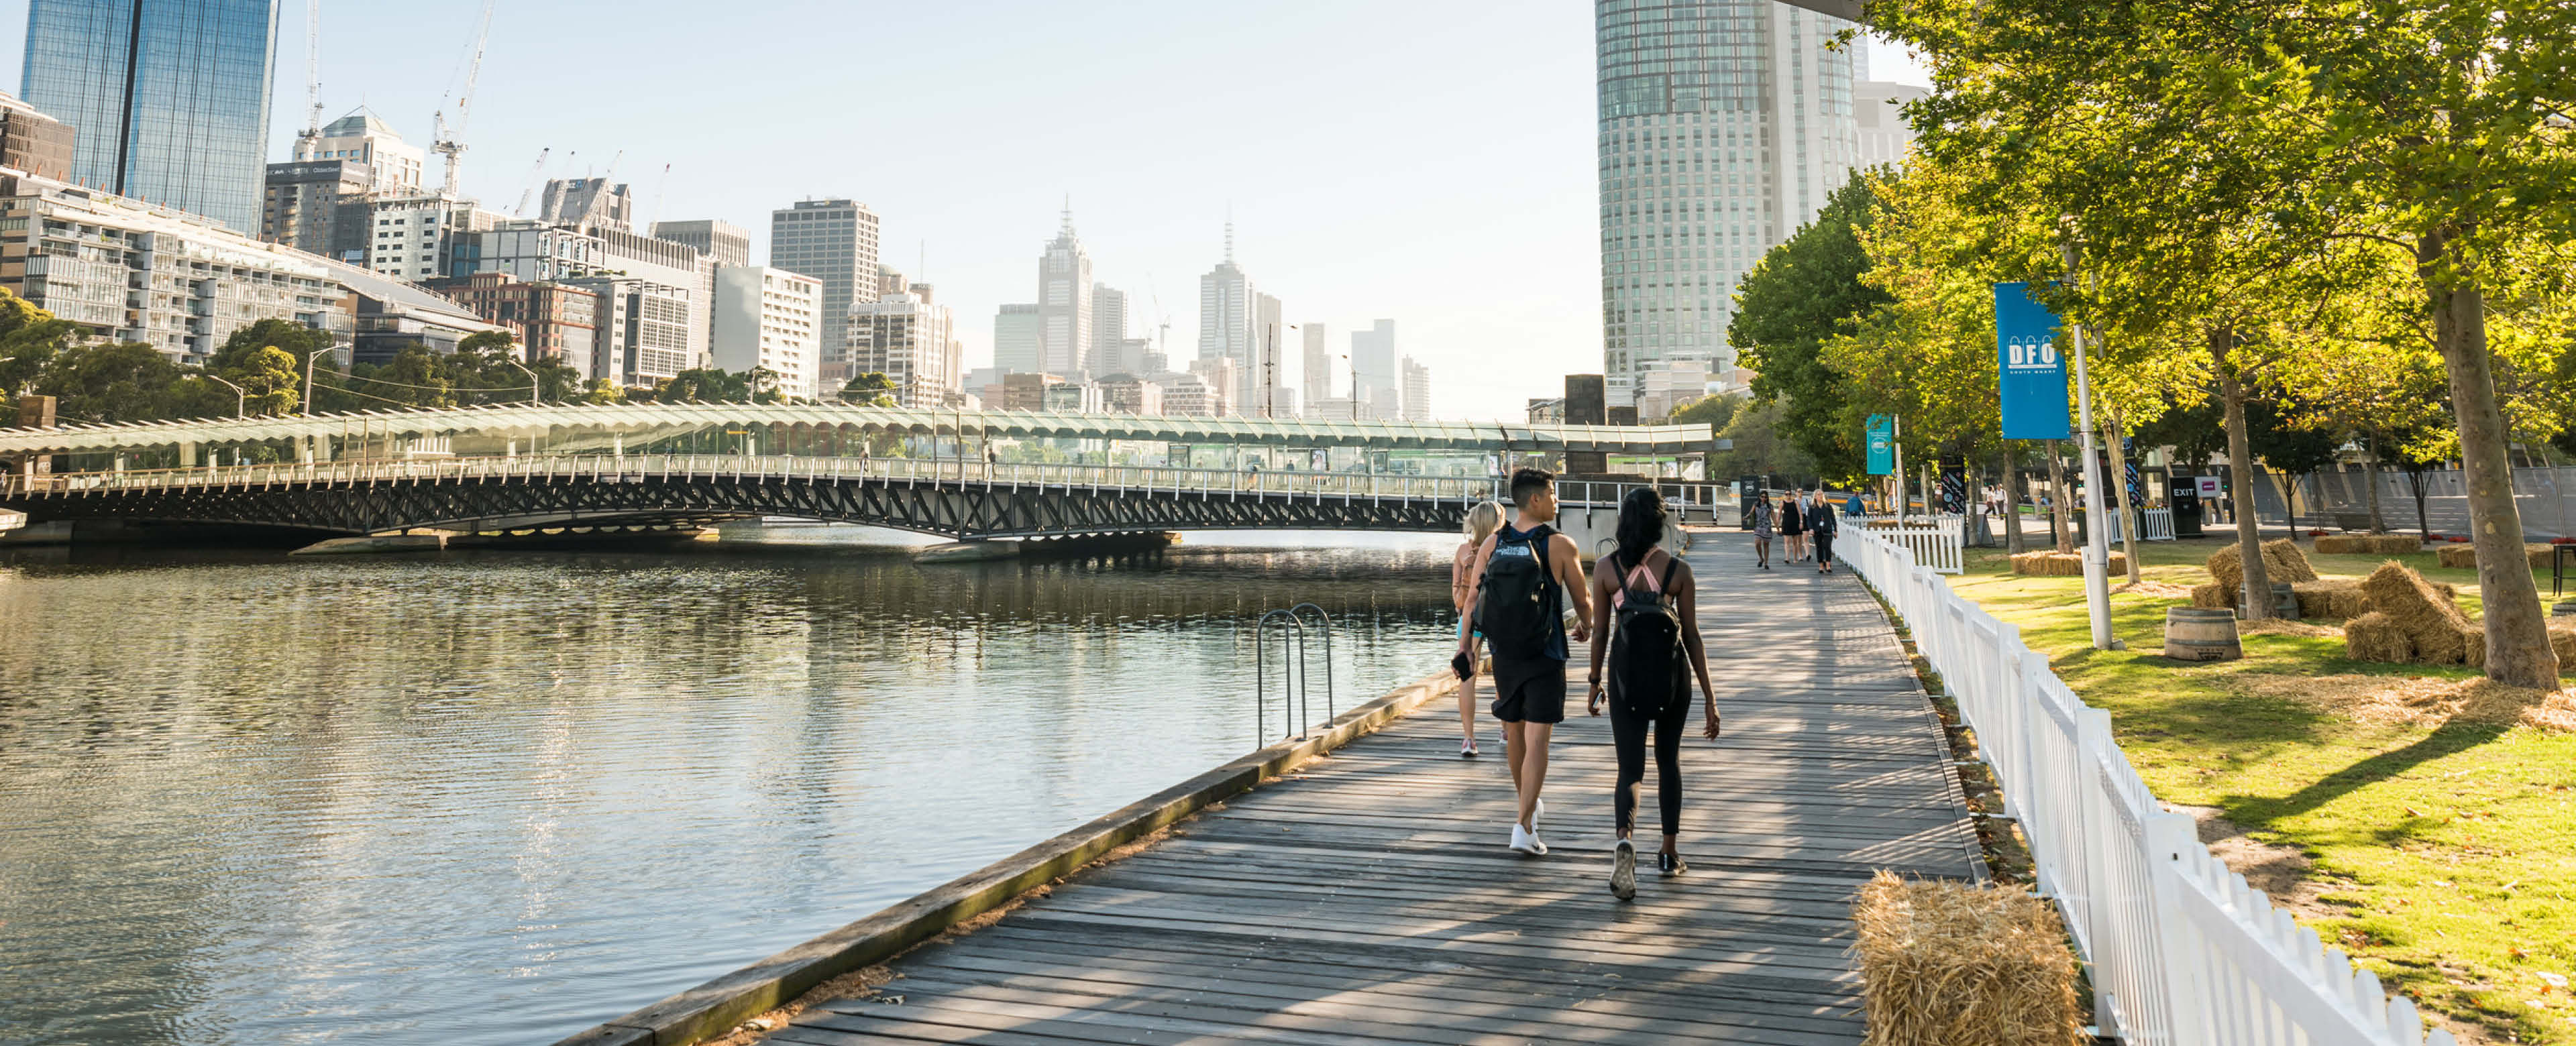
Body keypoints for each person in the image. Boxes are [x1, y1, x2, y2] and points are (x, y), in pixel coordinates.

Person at [1587, 488, 1720, 900]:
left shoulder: (1607, 569)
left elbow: (1600, 633)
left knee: (1630, 768)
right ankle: (1668, 853)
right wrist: (1710, 698)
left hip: (1624, 679)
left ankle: (1625, 839)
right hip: (1672, 679)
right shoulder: (1678, 570)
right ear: (1660, 523)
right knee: (1668, 761)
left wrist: (1593, 683)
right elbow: (1693, 636)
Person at [1456, 467, 1594, 856]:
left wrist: (1465, 647)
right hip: (1545, 653)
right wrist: (1588, 627)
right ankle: (1523, 825)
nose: (1557, 500)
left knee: (1514, 731)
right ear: (1534, 499)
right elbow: (1583, 601)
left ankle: (1527, 808)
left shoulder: (1493, 544)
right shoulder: (1561, 545)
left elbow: (1471, 602)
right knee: (1538, 739)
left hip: (1504, 654)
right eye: (1552, 493)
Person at [1450, 500, 1506, 757]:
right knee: (1503, 672)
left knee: (1467, 677)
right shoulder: (1503, 546)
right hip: (1498, 615)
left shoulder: (1463, 550)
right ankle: (1506, 729)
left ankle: (1469, 739)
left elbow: (1456, 590)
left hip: (1469, 617)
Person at [1810, 489, 1839, 574]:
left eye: (1821, 494)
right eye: (1818, 495)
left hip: (1828, 530)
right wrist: (1811, 528)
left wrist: (1835, 530)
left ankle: (1828, 565)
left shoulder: (1828, 506)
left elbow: (1833, 518)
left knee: (1828, 547)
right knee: (1819, 548)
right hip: (1817, 530)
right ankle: (1821, 566)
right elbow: (1809, 519)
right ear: (1815, 497)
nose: (1820, 496)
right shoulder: (1812, 507)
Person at [1750, 491, 1776, 569]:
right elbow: (1751, 512)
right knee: (1757, 543)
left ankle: (1766, 563)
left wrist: (1778, 527)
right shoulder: (1756, 504)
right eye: (1762, 496)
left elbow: (1773, 517)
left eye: (1765, 497)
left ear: (1767, 498)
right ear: (1760, 497)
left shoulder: (1770, 506)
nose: (1764, 498)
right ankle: (1761, 558)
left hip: (1766, 527)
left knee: (1766, 545)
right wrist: (1747, 517)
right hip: (1758, 526)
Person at [1780, 489, 1806, 563]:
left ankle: (1795, 558)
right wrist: (1778, 524)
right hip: (1786, 523)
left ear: (1792, 494)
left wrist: (1801, 522)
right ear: (1784, 495)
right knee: (1787, 541)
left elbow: (1800, 513)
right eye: (1787, 494)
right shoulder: (1782, 502)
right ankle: (1787, 558)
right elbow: (1779, 514)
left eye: (1789, 494)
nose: (1788, 495)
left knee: (1795, 542)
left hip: (1795, 523)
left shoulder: (1796, 502)